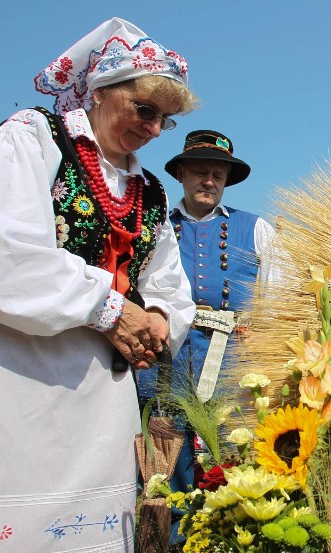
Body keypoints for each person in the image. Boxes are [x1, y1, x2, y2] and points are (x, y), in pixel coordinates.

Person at [0, 18, 195, 553]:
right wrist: (109, 308)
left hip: (97, 406)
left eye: (165, 119)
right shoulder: (31, 140)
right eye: (144, 109)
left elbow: (170, 286)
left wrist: (155, 316)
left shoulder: (148, 191)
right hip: (13, 382)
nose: (155, 129)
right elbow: (2, 255)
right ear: (102, 92)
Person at [137, 130, 279, 521]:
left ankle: (233, 547)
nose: (209, 181)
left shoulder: (256, 229)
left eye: (217, 174)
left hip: (233, 359)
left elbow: (279, 296)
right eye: (200, 171)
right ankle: (169, 546)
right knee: (164, 463)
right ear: (181, 173)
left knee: (237, 458)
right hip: (167, 359)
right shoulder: (156, 230)